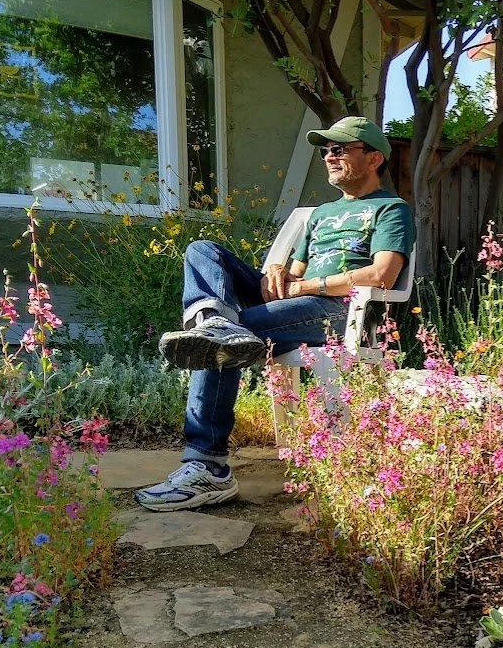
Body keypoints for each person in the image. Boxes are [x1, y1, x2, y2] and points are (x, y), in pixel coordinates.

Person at [135, 117, 415, 511]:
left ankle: (207, 467)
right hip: (294, 302)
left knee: (216, 344)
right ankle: (214, 320)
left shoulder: (391, 210)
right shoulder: (321, 215)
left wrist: (303, 286)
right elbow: (293, 273)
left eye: (340, 149)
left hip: (339, 312)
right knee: (202, 250)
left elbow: (382, 275)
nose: (329, 157)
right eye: (326, 151)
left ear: (373, 159)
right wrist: (281, 272)